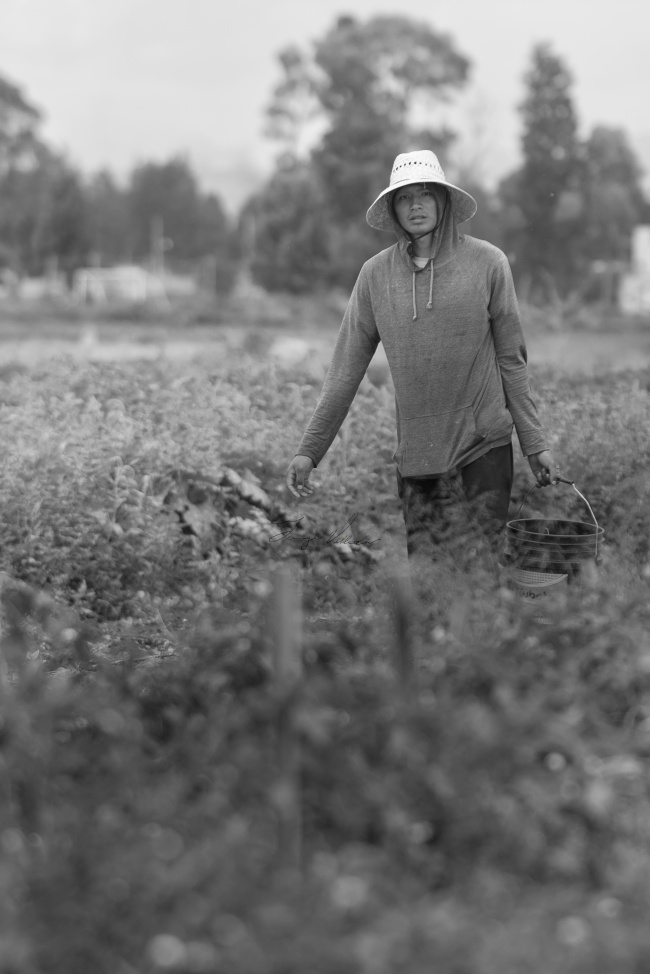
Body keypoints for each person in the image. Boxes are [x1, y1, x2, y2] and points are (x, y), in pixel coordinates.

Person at [285, 149, 558, 572]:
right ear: (393, 209)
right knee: (429, 584)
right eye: (404, 197)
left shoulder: (488, 263)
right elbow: (344, 371)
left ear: (444, 201)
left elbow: (512, 359)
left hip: (482, 447)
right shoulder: (375, 277)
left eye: (426, 194)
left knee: (477, 576)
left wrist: (534, 443)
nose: (415, 205)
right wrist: (310, 449)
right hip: (418, 456)